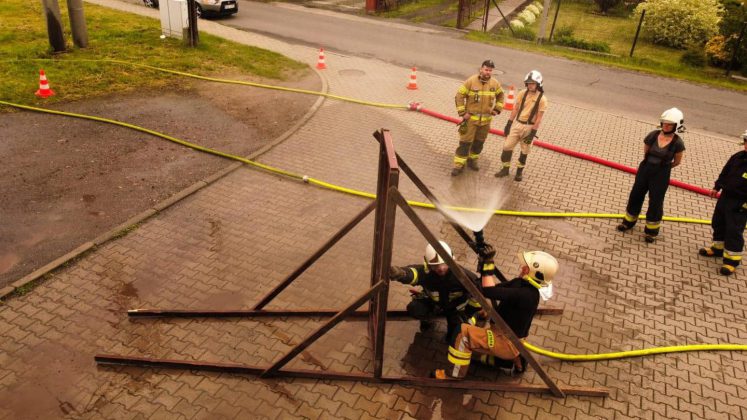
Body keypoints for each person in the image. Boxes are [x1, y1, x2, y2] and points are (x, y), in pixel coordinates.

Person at [434, 244, 558, 379]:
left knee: (461, 333)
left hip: (505, 341)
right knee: (474, 351)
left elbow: (489, 291)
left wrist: (488, 265)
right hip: (506, 337)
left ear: (533, 273)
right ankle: (508, 361)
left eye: (526, 267)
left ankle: (454, 375)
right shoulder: (520, 283)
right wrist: (484, 266)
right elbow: (491, 288)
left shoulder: (526, 295)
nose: (522, 268)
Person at [389, 240, 481, 343]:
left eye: (444, 263)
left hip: (456, 309)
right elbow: (414, 273)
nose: (441, 268)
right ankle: (427, 318)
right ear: (428, 265)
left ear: (451, 260)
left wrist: (468, 313)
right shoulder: (427, 273)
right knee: (415, 308)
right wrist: (401, 274)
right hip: (435, 304)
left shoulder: (463, 277)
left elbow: (479, 296)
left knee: (456, 336)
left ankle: (471, 318)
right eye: (435, 265)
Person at [616, 108, 686, 243]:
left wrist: (663, 168)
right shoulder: (652, 135)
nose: (666, 126)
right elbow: (646, 152)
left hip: (661, 174)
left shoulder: (678, 143)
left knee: (656, 201)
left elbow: (677, 162)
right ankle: (628, 222)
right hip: (645, 170)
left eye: (669, 124)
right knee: (636, 195)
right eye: (664, 123)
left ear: (676, 126)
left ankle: (651, 231)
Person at [699, 130, 747, 276]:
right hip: (726, 196)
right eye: (746, 141)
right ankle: (718, 248)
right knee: (718, 222)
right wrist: (717, 187)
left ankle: (731, 261)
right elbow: (725, 172)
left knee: (734, 230)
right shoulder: (738, 156)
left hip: (741, 203)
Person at [452, 60, 505, 177]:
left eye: (490, 70)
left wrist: (497, 109)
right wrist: (462, 112)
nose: (488, 72)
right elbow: (459, 95)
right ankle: (459, 165)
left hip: (485, 122)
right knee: (465, 143)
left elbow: (501, 95)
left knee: (479, 143)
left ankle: (472, 160)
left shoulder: (495, 83)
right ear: (481, 69)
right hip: (471, 120)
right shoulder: (471, 81)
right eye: (486, 69)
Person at [495, 70, 548, 182]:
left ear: (538, 84)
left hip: (529, 127)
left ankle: (519, 173)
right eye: (528, 83)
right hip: (517, 124)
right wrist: (509, 124)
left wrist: (533, 133)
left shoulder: (542, 99)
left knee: (525, 151)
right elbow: (515, 109)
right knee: (507, 147)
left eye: (532, 83)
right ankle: (505, 169)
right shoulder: (522, 93)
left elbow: (539, 118)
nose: (530, 85)